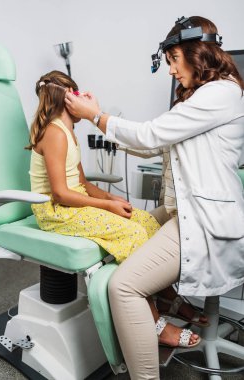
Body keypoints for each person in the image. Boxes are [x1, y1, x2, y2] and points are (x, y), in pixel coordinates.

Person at [64, 15, 244, 379]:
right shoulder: (201, 97)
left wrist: (95, 116)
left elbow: (150, 136)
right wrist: (100, 122)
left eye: (174, 59)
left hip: (205, 222)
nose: (171, 71)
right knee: (134, 222)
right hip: (190, 210)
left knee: (123, 286)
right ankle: (160, 320)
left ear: (198, 53)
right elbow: (152, 145)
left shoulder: (222, 92)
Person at [27, 70, 202, 349]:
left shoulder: (68, 132)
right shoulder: (54, 133)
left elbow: (81, 183)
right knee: (132, 235)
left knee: (144, 221)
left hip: (71, 203)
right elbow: (60, 193)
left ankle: (167, 297)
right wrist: (107, 205)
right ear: (66, 98)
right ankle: (155, 324)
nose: (83, 99)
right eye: (77, 94)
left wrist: (112, 198)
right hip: (55, 211)